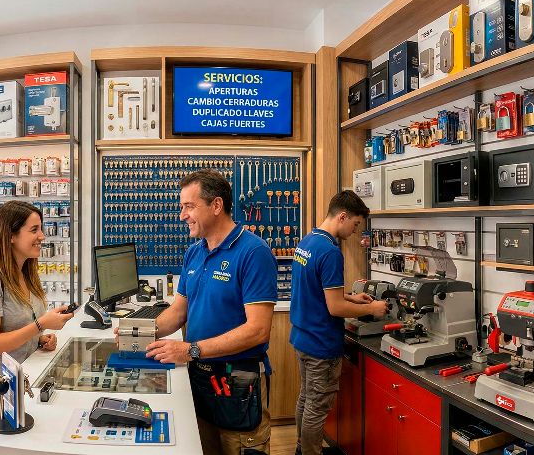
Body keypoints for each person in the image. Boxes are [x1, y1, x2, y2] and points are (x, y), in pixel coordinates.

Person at [136, 170, 277, 455]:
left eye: (189, 206)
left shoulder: (254, 252)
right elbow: (177, 312)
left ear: (216, 206)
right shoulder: (195, 252)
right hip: (199, 379)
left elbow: (258, 329)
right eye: (181, 207)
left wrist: (191, 350)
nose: (182, 215)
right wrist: (137, 333)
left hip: (237, 383)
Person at [290, 191, 388, 455]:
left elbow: (315, 288)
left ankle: (302, 447)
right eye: (355, 224)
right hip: (321, 344)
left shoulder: (307, 242)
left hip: (302, 337)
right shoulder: (331, 252)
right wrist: (372, 308)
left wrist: (351, 297)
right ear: (343, 216)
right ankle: (309, 452)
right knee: (317, 406)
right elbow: (334, 308)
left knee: (306, 399)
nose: (356, 231)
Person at [0, 201, 74, 418]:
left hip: (19, 384)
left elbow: (19, 327)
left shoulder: (25, 274)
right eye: (34, 230)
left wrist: (39, 338)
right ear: (10, 236)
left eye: (41, 228)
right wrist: (40, 325)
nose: (42, 236)